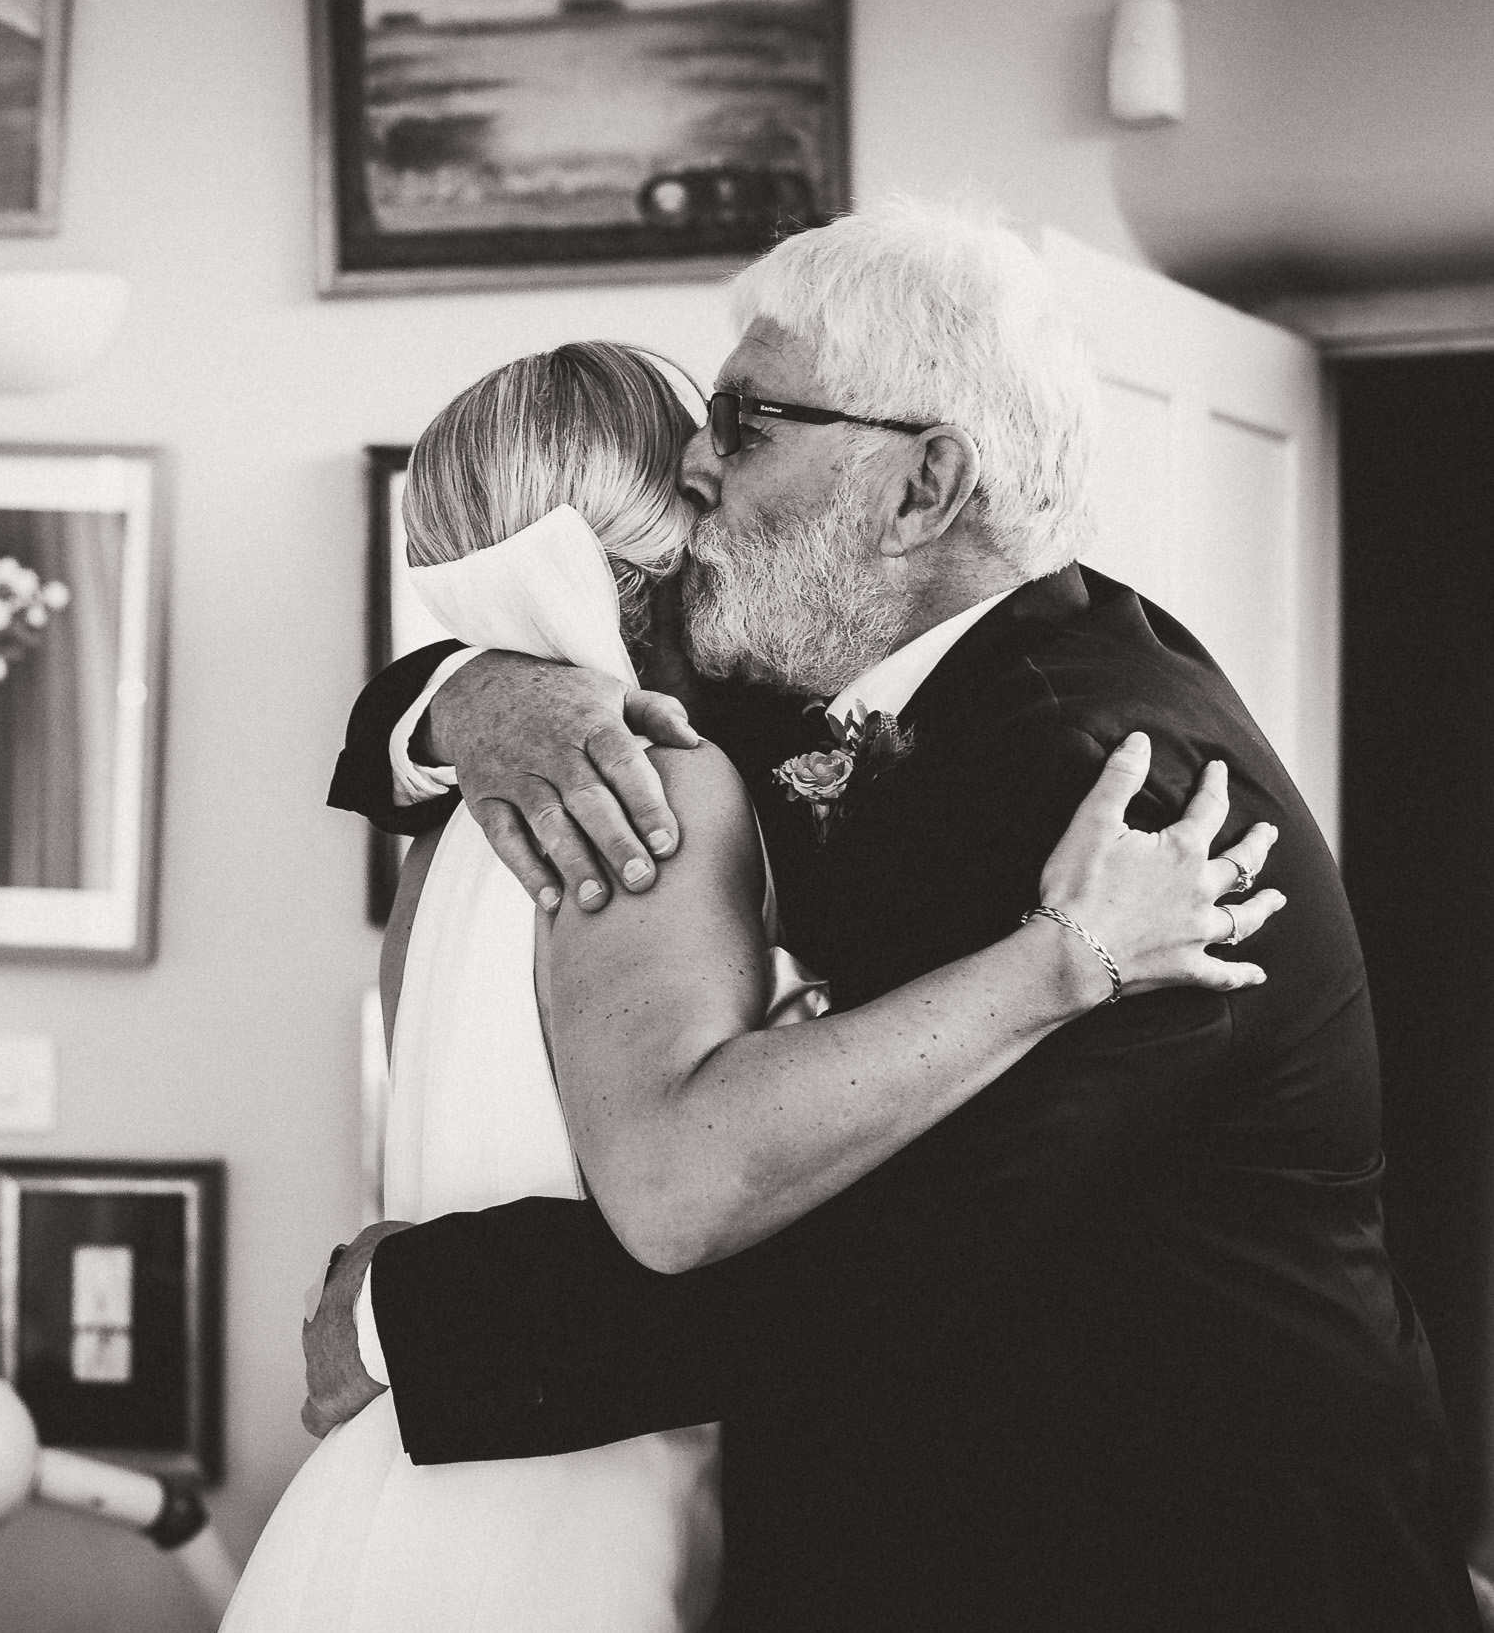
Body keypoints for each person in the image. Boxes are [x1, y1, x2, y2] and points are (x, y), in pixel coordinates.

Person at [305, 203, 1478, 1630]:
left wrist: (402, 1314)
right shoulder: (856, 693)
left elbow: (863, 1251)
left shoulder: (1113, 790)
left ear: (924, 486)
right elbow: (526, 649)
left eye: (745, 420)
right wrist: (463, 698)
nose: (695, 460)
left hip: (1186, 1563)